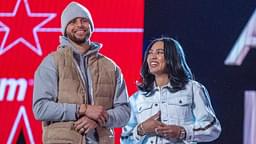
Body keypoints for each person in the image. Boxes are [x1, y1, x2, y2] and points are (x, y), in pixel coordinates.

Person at [32, 1, 130, 144]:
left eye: (84, 20)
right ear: (65, 29)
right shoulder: (52, 62)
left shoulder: (111, 67)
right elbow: (40, 108)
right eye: (73, 22)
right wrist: (82, 109)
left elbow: (125, 112)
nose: (79, 25)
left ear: (91, 26)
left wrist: (99, 119)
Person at [121, 37, 221, 144]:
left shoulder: (193, 89)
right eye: (150, 53)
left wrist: (182, 132)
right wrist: (142, 129)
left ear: (173, 57)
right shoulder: (136, 98)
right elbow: (125, 139)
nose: (153, 57)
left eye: (159, 52)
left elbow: (213, 128)